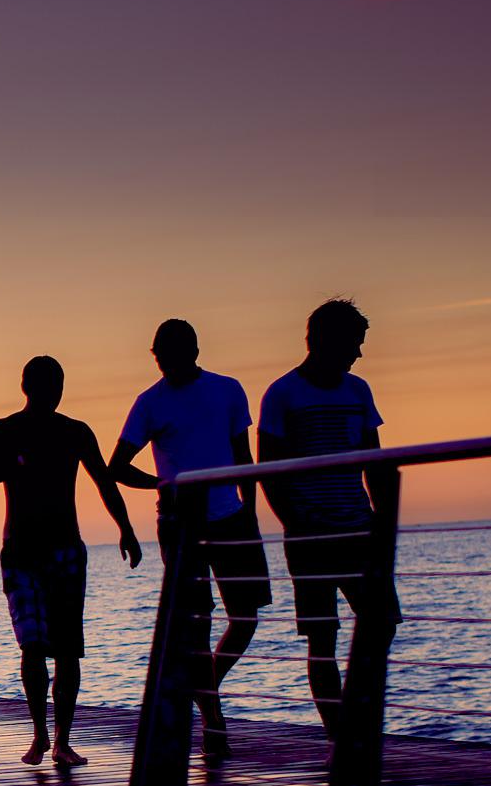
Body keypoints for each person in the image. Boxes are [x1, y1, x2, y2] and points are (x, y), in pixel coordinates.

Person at [109, 319, 270, 762]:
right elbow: (117, 465)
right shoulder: (149, 403)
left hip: (232, 516)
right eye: (157, 354)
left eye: (168, 353)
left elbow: (243, 455)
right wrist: (164, 483)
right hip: (180, 522)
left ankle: (204, 687)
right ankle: (213, 721)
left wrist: (251, 510)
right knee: (197, 625)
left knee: (247, 615)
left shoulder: (228, 390)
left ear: (193, 351)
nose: (161, 361)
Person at [0, 355, 141, 765]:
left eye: (57, 385)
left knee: (67, 649)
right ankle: (40, 735)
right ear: (28, 387)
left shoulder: (75, 432)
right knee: (32, 645)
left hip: (65, 549)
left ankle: (62, 740)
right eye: (47, 385)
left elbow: (104, 481)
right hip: (22, 552)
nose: (53, 392)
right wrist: (16, 462)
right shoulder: (5, 430)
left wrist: (127, 528)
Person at [259, 298, 399, 738]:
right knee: (323, 641)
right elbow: (270, 470)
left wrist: (383, 519)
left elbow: (373, 459)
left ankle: (356, 716)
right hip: (310, 534)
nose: (359, 353)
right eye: (354, 342)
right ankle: (340, 735)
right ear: (326, 340)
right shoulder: (282, 394)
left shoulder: (358, 391)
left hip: (359, 528)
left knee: (383, 623)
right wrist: (296, 521)